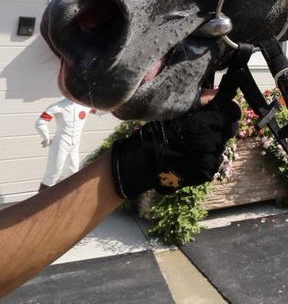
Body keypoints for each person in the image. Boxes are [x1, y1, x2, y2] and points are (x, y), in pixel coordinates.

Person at [0, 93, 239, 297]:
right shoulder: (60, 107)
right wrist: (141, 161)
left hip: (74, 148)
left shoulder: (83, 107)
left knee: (70, 172)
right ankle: (43, 196)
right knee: (53, 174)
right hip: (61, 144)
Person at [34, 98, 95, 191]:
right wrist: (46, 137)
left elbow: (100, 110)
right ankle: (41, 199)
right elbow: (40, 123)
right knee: (53, 173)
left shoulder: (86, 105)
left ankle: (65, 197)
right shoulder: (58, 106)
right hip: (60, 144)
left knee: (72, 172)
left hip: (74, 145)